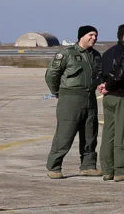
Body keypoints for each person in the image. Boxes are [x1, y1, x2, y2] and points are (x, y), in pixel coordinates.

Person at [43, 26, 102, 178]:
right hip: (70, 98)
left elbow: (99, 75)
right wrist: (58, 92)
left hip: (89, 98)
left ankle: (88, 166)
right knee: (65, 134)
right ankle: (54, 167)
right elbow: (51, 75)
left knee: (90, 134)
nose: (94, 38)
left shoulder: (95, 55)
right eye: (91, 35)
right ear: (81, 36)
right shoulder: (66, 54)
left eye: (95, 35)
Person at [95, 23, 124, 180]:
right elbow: (121, 75)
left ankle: (107, 169)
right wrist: (109, 86)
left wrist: (103, 85)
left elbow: (100, 72)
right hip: (123, 96)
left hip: (109, 98)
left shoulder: (108, 52)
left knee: (109, 132)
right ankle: (121, 170)